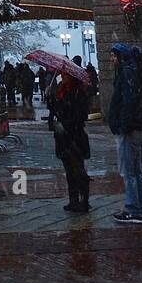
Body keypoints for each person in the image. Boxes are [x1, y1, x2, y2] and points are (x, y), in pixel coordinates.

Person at [108, 43, 142, 224]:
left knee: (130, 171)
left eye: (113, 56)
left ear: (121, 57)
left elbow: (128, 101)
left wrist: (123, 125)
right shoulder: (133, 71)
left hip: (130, 128)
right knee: (138, 170)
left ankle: (133, 209)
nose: (111, 59)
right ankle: (141, 208)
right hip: (138, 126)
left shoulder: (126, 73)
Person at [47, 70, 91, 214]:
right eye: (63, 75)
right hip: (62, 138)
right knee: (68, 170)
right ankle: (73, 200)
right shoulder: (60, 90)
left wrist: (65, 124)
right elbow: (54, 111)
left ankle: (84, 201)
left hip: (75, 136)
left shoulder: (79, 93)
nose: (63, 77)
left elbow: (81, 116)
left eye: (66, 75)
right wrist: (49, 98)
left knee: (78, 170)